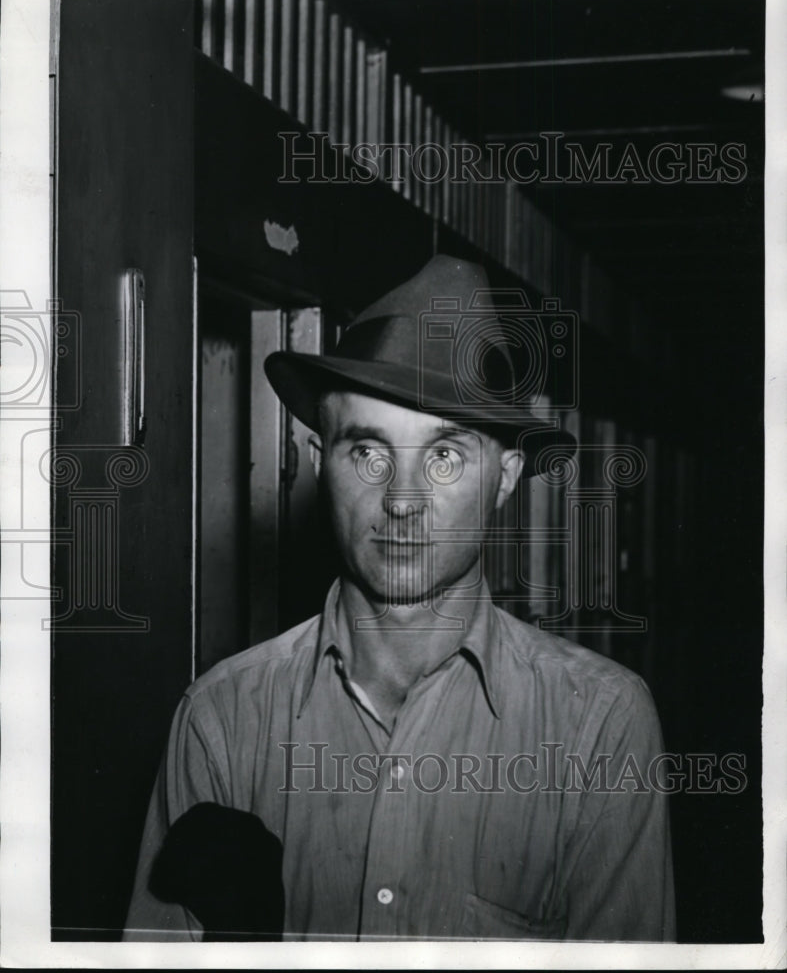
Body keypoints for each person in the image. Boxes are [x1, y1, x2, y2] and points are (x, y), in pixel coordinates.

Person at [124, 255, 675, 941]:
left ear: (504, 479)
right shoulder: (221, 721)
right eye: (367, 453)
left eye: (444, 456)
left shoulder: (599, 725)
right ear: (321, 461)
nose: (402, 500)